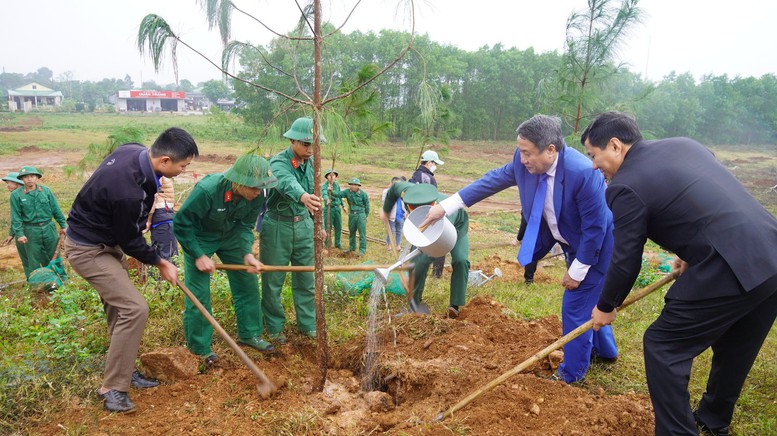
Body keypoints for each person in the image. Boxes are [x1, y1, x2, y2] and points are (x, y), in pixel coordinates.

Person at [583, 112, 777, 435]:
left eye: (594, 155)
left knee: (663, 346)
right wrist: (689, 252)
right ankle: (714, 420)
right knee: (736, 343)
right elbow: (695, 197)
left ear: (615, 146)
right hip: (770, 254)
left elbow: (626, 258)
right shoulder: (684, 145)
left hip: (728, 263)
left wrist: (606, 305)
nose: (593, 165)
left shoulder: (624, 186)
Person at [420, 114, 618, 383]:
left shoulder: (583, 172)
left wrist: (577, 270)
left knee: (576, 304)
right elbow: (490, 181)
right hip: (568, 240)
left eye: (527, 153)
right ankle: (606, 352)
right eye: (520, 152)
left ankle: (571, 375)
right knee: (590, 300)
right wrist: (443, 208)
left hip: (597, 247)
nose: (522, 159)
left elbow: (596, 229)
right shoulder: (523, 163)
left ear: (550, 150)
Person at [64, 127, 199, 413]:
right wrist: (161, 262)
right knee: (134, 308)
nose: (183, 171)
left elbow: (126, 233)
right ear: (164, 161)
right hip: (88, 249)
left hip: (106, 240)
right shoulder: (127, 191)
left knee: (119, 308)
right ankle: (113, 389)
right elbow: (131, 241)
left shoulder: (133, 150)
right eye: (182, 166)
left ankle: (122, 371)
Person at [175, 154, 279, 363]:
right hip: (201, 237)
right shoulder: (207, 191)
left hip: (231, 236)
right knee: (198, 294)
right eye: (254, 187)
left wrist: (247, 253)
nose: (258, 192)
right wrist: (198, 255)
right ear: (239, 181)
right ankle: (200, 348)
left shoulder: (256, 196)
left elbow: (245, 225)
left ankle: (249, 334)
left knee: (247, 283)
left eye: (261, 188)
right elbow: (181, 223)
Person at [260, 117, 323, 343]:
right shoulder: (279, 162)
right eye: (306, 145)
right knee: (273, 279)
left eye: (314, 145)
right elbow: (286, 182)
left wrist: (319, 225)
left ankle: (307, 324)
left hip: (304, 224)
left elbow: (319, 195)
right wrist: (303, 196)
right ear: (292, 141)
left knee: (305, 277)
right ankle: (275, 327)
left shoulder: (312, 163)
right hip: (278, 225)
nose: (310, 150)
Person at [382, 182, 470, 318]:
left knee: (461, 260)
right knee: (417, 263)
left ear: (432, 205)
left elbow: (435, 245)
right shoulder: (409, 192)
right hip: (426, 227)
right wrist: (386, 211)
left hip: (454, 225)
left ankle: (455, 306)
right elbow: (394, 188)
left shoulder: (444, 212)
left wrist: (424, 253)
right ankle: (414, 305)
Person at [10, 166, 68, 281]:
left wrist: (63, 225)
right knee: (33, 259)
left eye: (32, 176)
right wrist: (20, 233)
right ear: (22, 179)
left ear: (37, 177)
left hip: (48, 228)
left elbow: (55, 209)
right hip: (30, 230)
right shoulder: (16, 195)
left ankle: (62, 279)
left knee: (55, 256)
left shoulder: (46, 191)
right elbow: (16, 217)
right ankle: (36, 283)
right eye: (25, 177)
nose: (29, 179)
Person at [410, 150, 445, 278]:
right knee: (439, 242)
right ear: (429, 163)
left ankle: (412, 267)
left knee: (416, 241)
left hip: (415, 215)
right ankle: (436, 273)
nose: (435, 166)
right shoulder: (428, 178)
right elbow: (432, 198)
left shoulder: (414, 175)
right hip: (428, 214)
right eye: (435, 163)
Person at [331, 177, 370, 256]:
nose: (353, 186)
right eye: (351, 184)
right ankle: (352, 247)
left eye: (355, 185)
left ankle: (362, 250)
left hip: (360, 214)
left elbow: (367, 205)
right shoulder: (347, 192)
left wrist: (366, 215)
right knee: (352, 232)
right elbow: (338, 194)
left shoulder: (363, 194)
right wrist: (331, 190)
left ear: (358, 186)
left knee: (362, 233)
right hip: (352, 214)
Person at [2, 172, 28, 275]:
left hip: (25, 231)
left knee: (27, 258)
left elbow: (17, 218)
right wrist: (11, 234)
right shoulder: (16, 195)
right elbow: (16, 217)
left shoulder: (19, 195)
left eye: (9, 183)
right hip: (21, 230)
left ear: (17, 184)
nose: (7, 186)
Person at [321, 168, 343, 249]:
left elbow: (339, 195)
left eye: (333, 175)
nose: (332, 177)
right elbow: (324, 193)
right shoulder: (325, 186)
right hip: (329, 209)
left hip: (337, 209)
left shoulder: (337, 185)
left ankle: (338, 244)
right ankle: (328, 244)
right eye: (330, 176)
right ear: (327, 177)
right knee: (328, 227)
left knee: (338, 227)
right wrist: (327, 199)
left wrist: (343, 205)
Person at [381, 176, 405, 250]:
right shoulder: (387, 192)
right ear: (392, 183)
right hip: (391, 214)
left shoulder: (402, 192)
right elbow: (384, 203)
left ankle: (398, 245)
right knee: (391, 230)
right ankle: (389, 245)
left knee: (399, 230)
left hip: (400, 214)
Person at [514, 213, 538, 284]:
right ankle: (530, 277)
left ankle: (529, 280)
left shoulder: (527, 205)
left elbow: (524, 223)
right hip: (542, 232)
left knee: (530, 255)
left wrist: (518, 239)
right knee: (536, 254)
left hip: (532, 233)